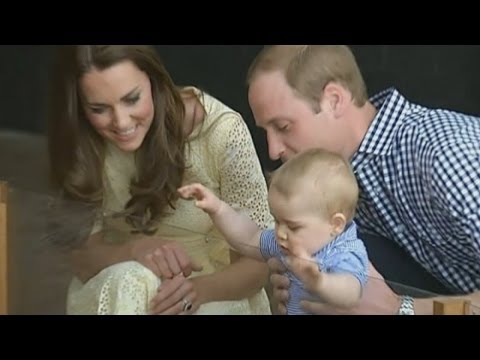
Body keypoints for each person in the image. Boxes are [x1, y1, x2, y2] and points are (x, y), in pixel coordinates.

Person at [245, 45, 480, 315]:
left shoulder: (446, 156)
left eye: (283, 127)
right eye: (266, 131)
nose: (273, 150)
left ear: (334, 100)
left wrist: (401, 308)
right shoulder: (342, 179)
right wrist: (304, 279)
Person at [46, 45, 273, 315]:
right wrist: (134, 251)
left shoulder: (221, 131)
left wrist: (194, 291)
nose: (121, 122)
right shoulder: (79, 139)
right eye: (99, 109)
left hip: (213, 292)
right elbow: (82, 258)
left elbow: (258, 264)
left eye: (132, 99)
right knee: (130, 279)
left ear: (155, 82)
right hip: (119, 289)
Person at [178, 148, 369, 315]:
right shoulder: (284, 244)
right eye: (277, 221)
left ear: (335, 224)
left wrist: (319, 281)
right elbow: (248, 238)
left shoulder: (344, 252)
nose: (281, 233)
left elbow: (351, 292)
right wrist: (218, 209)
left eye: (293, 226)